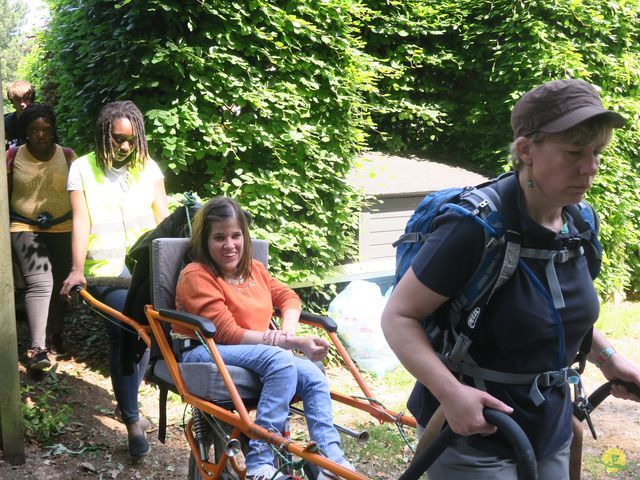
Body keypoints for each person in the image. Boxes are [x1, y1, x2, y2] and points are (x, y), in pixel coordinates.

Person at [381, 79, 640, 479]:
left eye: (596, 152)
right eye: (574, 152)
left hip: (551, 427)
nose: (590, 167)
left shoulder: (580, 223)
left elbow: (566, 315)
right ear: (525, 151)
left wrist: (608, 360)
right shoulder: (474, 227)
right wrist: (451, 395)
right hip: (472, 432)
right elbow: (398, 316)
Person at [173, 197, 355, 480]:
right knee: (281, 360)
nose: (229, 245)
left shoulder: (254, 269)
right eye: (219, 237)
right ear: (204, 241)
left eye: (235, 236)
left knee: (314, 377)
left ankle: (330, 461)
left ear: (244, 236)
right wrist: (292, 344)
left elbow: (288, 297)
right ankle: (261, 461)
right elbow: (227, 333)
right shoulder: (196, 275)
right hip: (203, 348)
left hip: (252, 351)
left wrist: (289, 332)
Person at [60, 100, 169, 458]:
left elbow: (163, 221)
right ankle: (133, 422)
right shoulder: (82, 169)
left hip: (144, 268)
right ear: (103, 134)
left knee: (146, 333)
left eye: (131, 140)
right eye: (117, 139)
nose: (125, 147)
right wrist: (77, 268)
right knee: (126, 329)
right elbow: (81, 221)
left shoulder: (147, 167)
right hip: (105, 269)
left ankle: (127, 401)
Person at [8, 103, 76, 370]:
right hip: (24, 227)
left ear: (53, 131)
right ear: (26, 131)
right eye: (34, 130)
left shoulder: (68, 156)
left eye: (46, 129)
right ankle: (37, 348)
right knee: (41, 280)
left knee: (62, 284)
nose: (41, 135)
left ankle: (54, 334)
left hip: (63, 227)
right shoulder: (12, 157)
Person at [4, 80, 36, 149]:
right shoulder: (6, 122)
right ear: (12, 101)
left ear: (31, 100)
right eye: (18, 100)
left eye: (26, 99)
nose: (22, 104)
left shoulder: (41, 120)